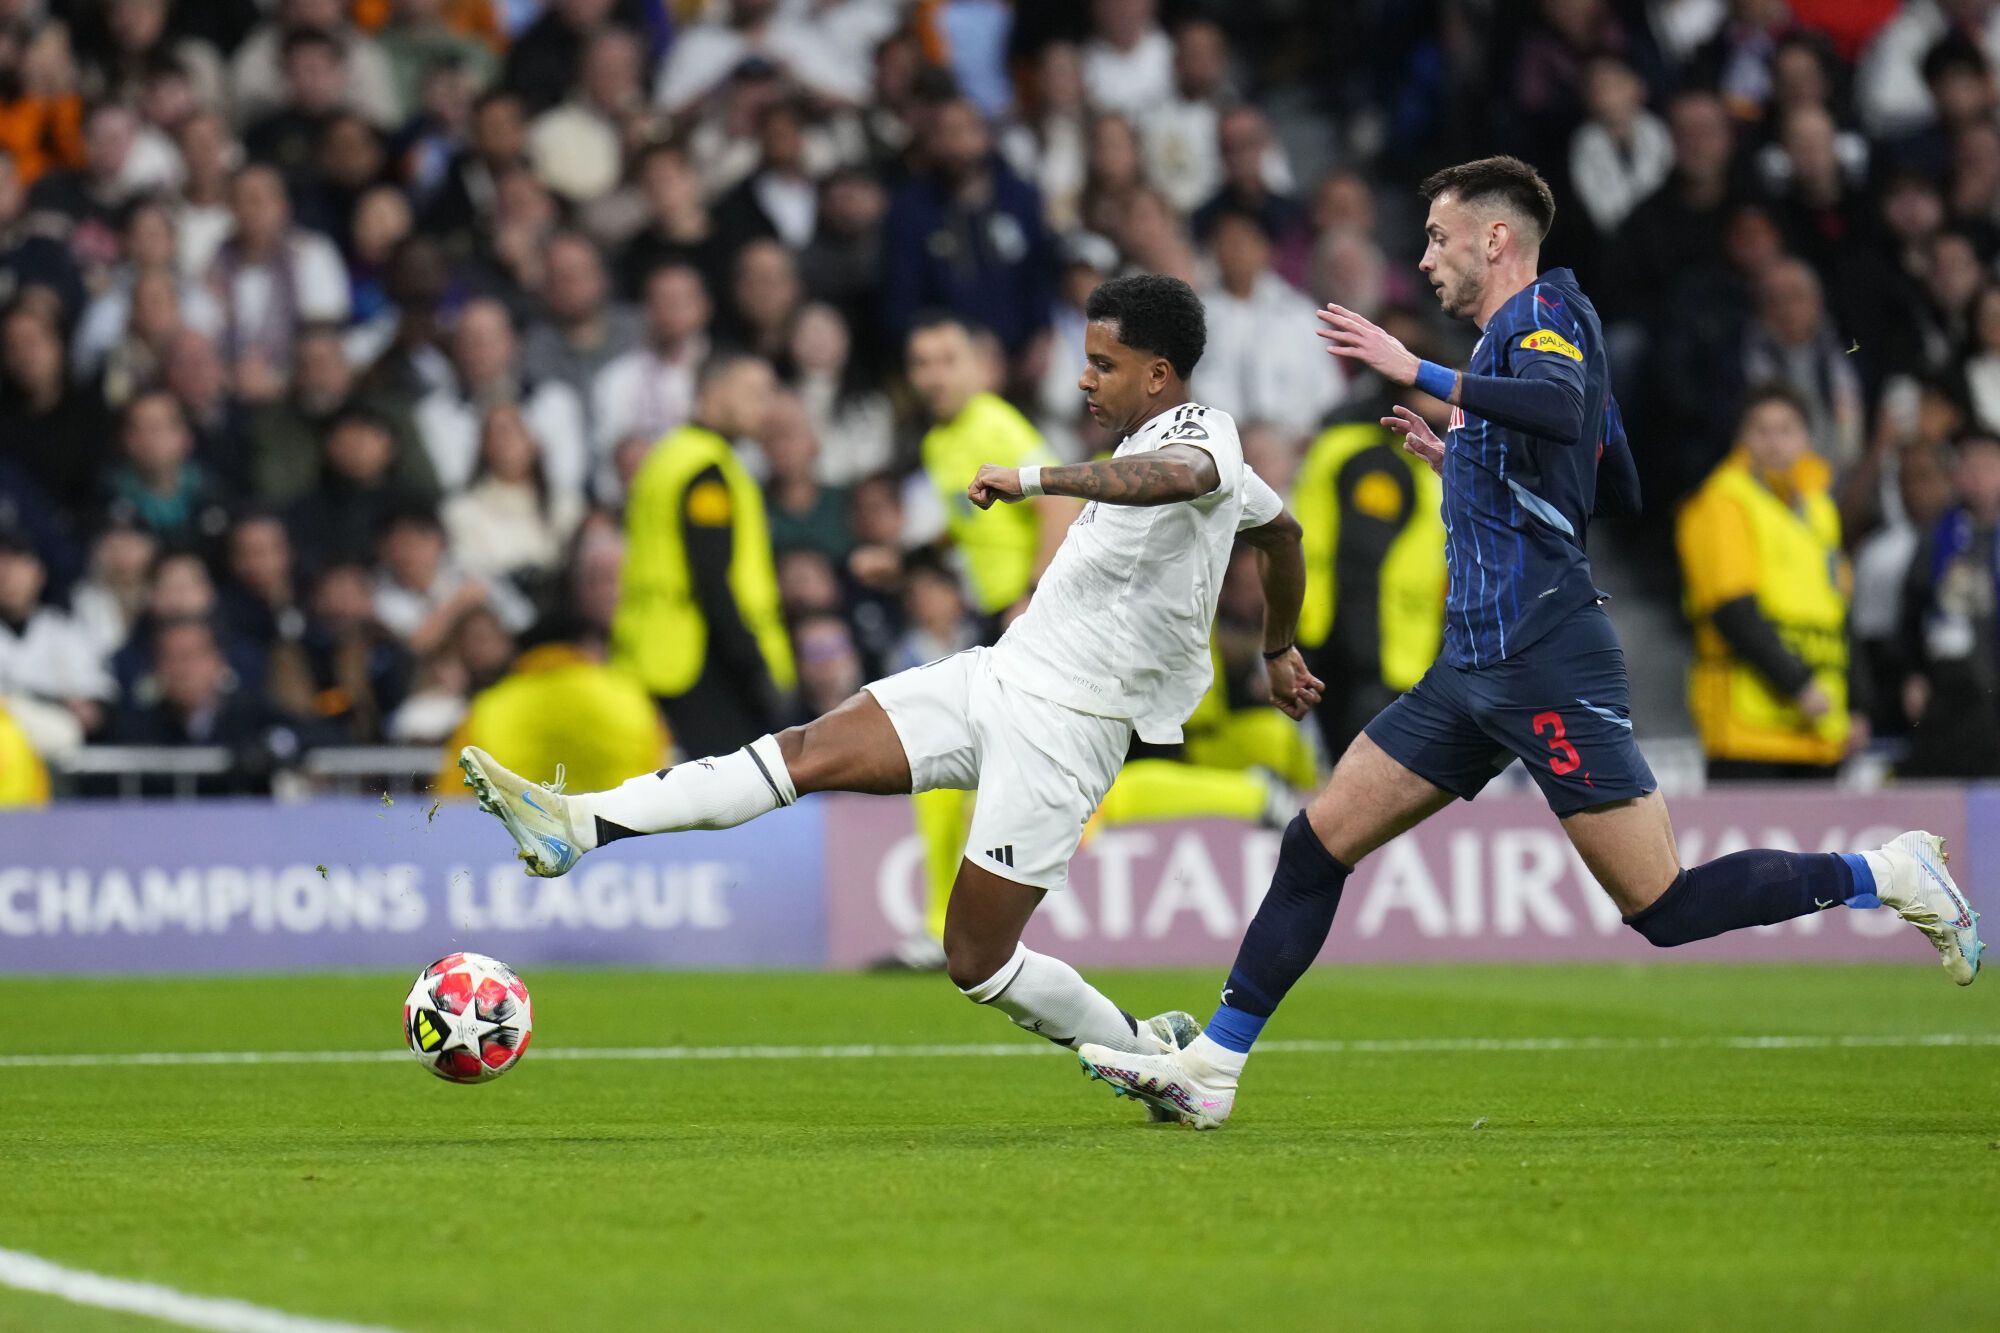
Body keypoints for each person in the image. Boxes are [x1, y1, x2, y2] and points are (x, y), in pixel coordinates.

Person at [1078, 157, 1982, 1131]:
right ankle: (1212, 1068)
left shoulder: (1539, 316)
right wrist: (1467, 456)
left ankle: (1886, 873)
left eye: (1435, 236)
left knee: (1661, 907)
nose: (1422, 258)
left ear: (1492, 239)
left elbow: (1562, 412)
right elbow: (1610, 469)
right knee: (1314, 844)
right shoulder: (1523, 341)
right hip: (1471, 667)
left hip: (1544, 659)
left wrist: (1417, 372)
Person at [459, 274, 1322, 1098]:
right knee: (802, 751)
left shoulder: (1207, 431)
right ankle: (576, 824)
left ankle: (1143, 1050)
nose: (1085, 378)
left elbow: (1190, 478)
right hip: (997, 675)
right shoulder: (1145, 444)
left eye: (1104, 365)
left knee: (976, 959)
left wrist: (1036, 478)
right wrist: (1278, 645)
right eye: (1087, 358)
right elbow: (1280, 537)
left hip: (1072, 725)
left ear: (1160, 374)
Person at [608, 352, 797, 758]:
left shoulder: (669, 456)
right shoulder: (705, 471)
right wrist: (752, 664)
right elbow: (712, 576)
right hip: (697, 662)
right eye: (753, 393)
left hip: (653, 652)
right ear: (712, 393)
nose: (765, 407)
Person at [1678, 385, 1862, 781]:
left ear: (1807, 439)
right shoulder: (1724, 502)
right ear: (1742, 439)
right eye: (1761, 430)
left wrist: (1858, 705)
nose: (1774, 442)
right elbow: (1733, 611)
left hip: (1818, 733)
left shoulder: (1819, 508)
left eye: (1786, 430)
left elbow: (1839, 611)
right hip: (1749, 734)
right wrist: (1800, 685)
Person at [906, 313, 1070, 619]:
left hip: (1027, 604)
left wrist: (1033, 595)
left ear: (975, 365)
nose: (935, 376)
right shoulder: (936, 442)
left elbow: (1060, 503)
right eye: (922, 364)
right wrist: (906, 561)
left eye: (948, 361)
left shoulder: (994, 425)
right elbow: (966, 518)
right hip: (991, 607)